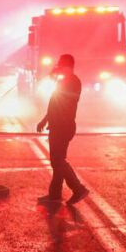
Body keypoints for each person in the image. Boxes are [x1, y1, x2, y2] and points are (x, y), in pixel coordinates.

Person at [36, 53, 89, 206]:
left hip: (63, 126)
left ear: (67, 66)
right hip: (58, 125)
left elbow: (61, 104)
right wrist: (45, 120)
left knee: (58, 160)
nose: (57, 66)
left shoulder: (72, 82)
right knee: (56, 161)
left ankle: (78, 188)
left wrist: (54, 76)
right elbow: (54, 104)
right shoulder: (65, 81)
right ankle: (55, 195)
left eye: (60, 64)